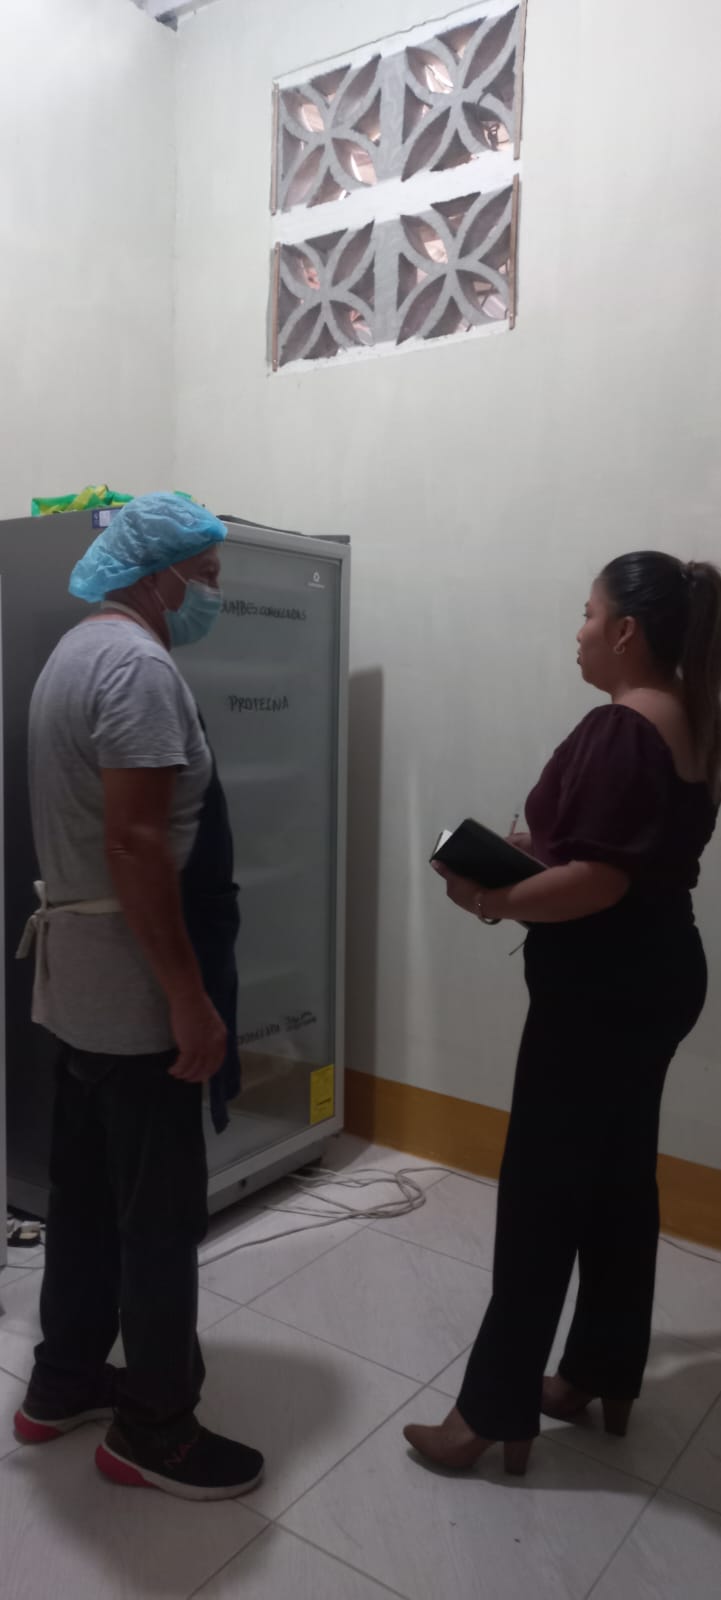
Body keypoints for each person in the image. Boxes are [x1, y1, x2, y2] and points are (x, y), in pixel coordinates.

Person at [404, 551, 720, 1477]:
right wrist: (538, 854)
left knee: (541, 1196)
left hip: (599, 990)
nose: (576, 632)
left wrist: (487, 896)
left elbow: (598, 882)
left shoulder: (621, 727)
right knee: (618, 1179)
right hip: (657, 975)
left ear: (625, 631)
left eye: (586, 613)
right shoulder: (694, 717)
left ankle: (488, 1411)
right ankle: (598, 1370)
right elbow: (622, 856)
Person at [14, 493, 264, 1501]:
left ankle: (64, 1378)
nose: (212, 593)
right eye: (203, 575)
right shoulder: (139, 668)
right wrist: (187, 999)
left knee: (81, 1198)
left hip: (79, 987)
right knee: (158, 1219)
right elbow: (135, 843)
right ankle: (155, 1429)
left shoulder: (73, 654)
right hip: (134, 994)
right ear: (154, 572)